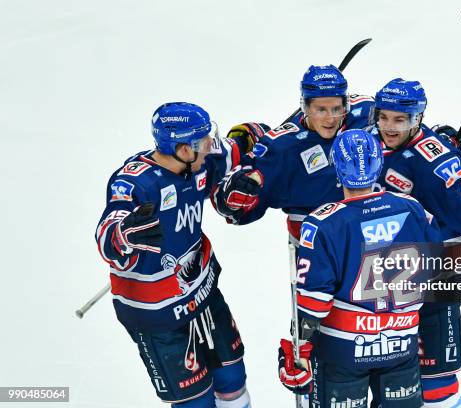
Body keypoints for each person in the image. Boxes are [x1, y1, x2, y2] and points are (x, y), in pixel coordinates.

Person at [368, 78, 461, 408]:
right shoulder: (368, 140)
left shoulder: (435, 161)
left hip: (435, 281)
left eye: (400, 119)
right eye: (384, 117)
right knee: (387, 388)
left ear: (417, 119)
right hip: (380, 286)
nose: (390, 127)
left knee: (436, 388)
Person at [94, 102, 253, 408]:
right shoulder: (136, 182)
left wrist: (270, 132)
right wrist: (122, 234)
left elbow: (240, 147)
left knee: (233, 379)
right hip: (160, 315)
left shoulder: (200, 161)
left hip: (203, 293)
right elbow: (108, 233)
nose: (211, 146)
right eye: (202, 141)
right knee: (196, 402)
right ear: (182, 149)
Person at [277, 129, 441, 407]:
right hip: (401, 346)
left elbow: (313, 303)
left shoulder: (323, 223)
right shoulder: (412, 208)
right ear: (379, 165)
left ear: (337, 168)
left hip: (343, 351)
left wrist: (298, 348)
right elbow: (435, 265)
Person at [212, 64, 374, 244]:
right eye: (320, 110)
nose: (330, 118)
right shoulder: (280, 149)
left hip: (373, 234)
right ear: (305, 107)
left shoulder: (365, 112)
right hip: (316, 245)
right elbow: (230, 205)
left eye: (336, 109)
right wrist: (236, 194)